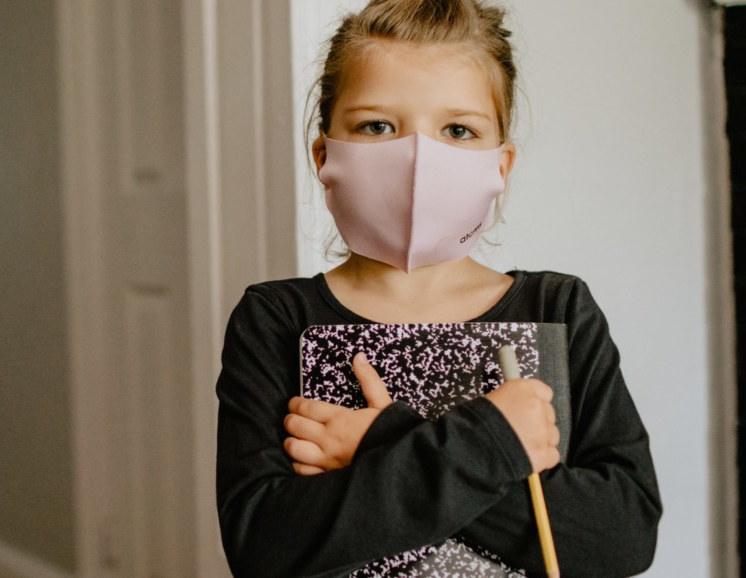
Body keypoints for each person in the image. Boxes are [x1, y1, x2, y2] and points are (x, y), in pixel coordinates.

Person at [214, 0, 662, 576]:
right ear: (325, 155)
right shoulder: (276, 318)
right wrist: (492, 445)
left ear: (500, 166)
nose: (419, 160)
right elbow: (263, 545)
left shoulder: (560, 309)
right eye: (377, 126)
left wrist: (383, 443)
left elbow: (620, 539)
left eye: (458, 130)